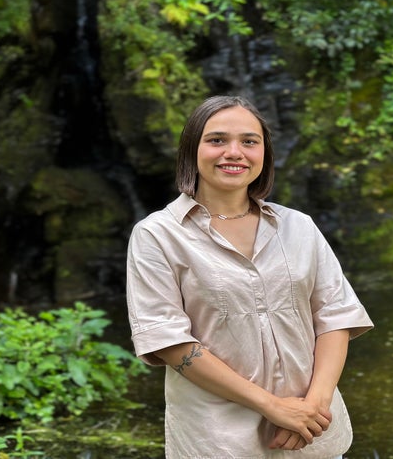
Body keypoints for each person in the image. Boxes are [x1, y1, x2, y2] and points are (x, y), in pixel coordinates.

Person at [126, 95, 374, 459]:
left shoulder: (298, 226)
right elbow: (168, 341)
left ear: (264, 153)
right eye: (216, 140)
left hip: (312, 433)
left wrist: (314, 407)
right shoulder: (157, 235)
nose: (234, 152)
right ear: (191, 150)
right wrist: (273, 407)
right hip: (218, 441)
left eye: (249, 141)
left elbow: (335, 316)